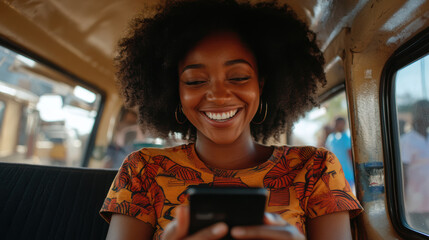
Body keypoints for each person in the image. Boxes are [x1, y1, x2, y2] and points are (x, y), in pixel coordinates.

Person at [100, 0, 363, 239]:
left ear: (262, 84)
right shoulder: (142, 170)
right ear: (175, 92)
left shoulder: (316, 169)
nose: (218, 95)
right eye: (195, 81)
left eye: (238, 77)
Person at [400, 100, 429, 232]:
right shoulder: (407, 141)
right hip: (416, 202)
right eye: (424, 113)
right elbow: (403, 172)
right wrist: (403, 201)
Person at [325, 117, 355, 192]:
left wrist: (354, 169)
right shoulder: (330, 138)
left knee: (348, 195)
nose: (336, 125)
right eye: (335, 123)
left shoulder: (347, 137)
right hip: (335, 174)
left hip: (347, 174)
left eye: (339, 123)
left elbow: (350, 154)